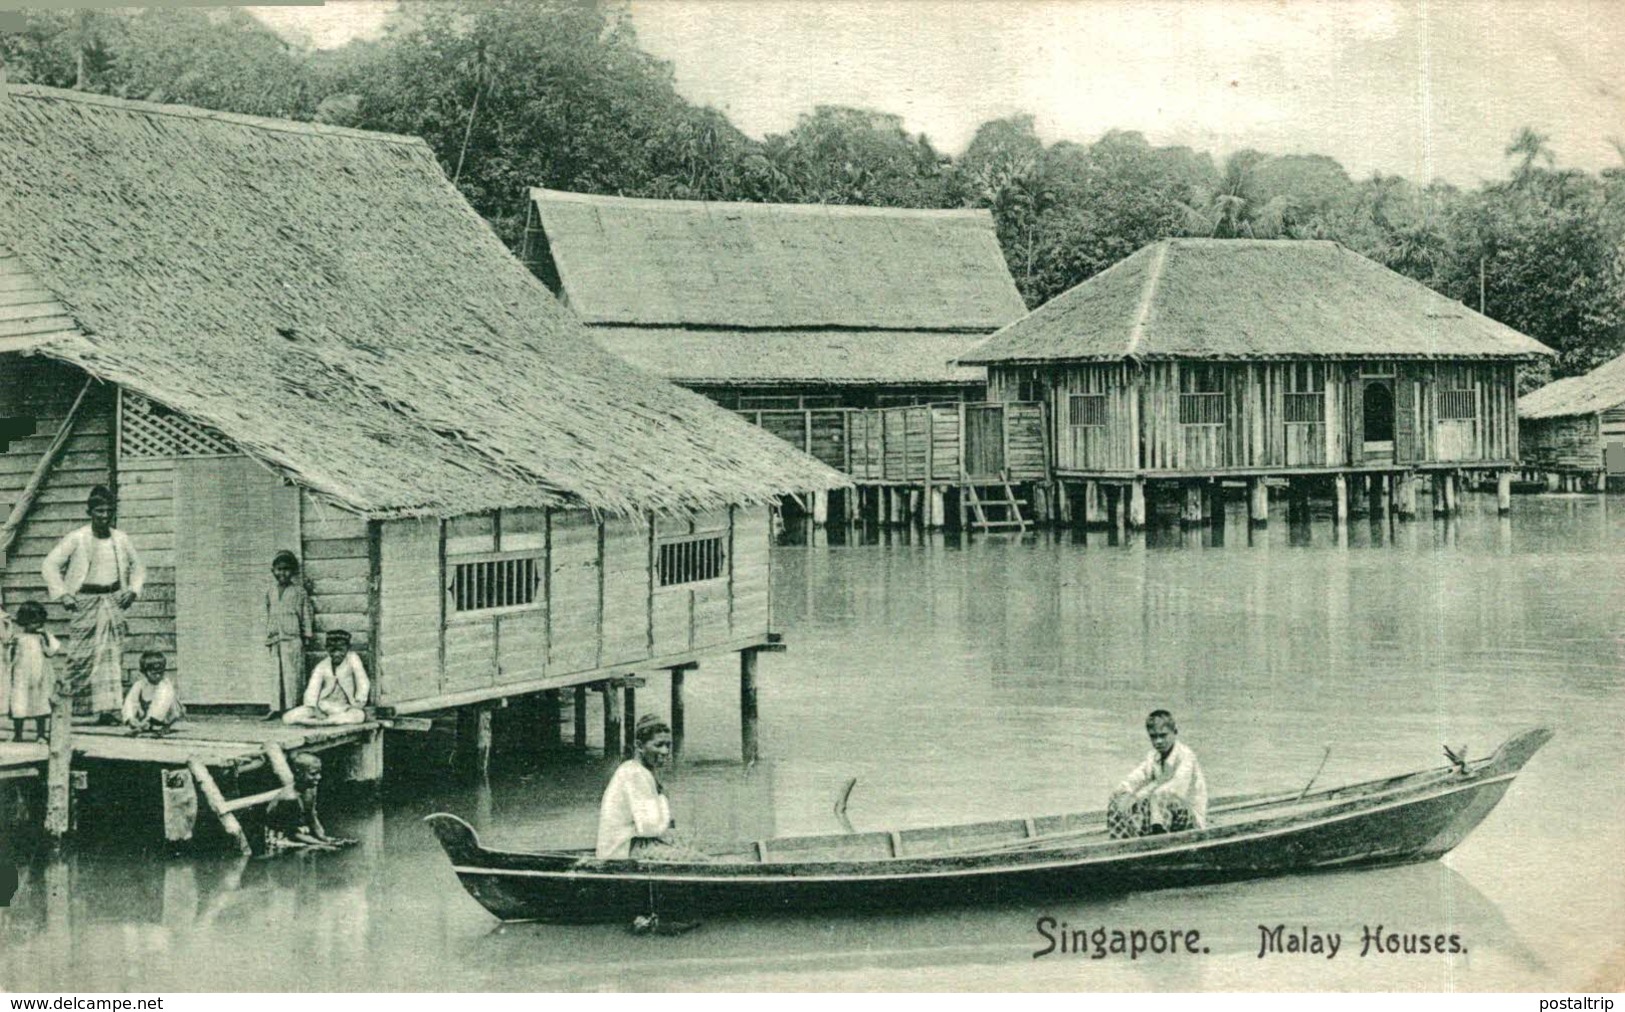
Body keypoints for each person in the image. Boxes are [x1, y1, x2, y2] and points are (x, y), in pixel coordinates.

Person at [42, 486, 145, 722]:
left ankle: (107, 711)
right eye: (99, 511)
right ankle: (72, 709)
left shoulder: (120, 539)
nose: (104, 515)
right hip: (86, 602)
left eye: (108, 511)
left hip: (113, 600)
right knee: (80, 655)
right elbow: (49, 565)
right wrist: (63, 595)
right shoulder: (77, 538)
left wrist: (133, 591)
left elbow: (138, 567)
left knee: (111, 657)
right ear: (90, 511)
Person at [596, 714, 707, 861]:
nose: (665, 751)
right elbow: (650, 827)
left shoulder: (638, 770)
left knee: (695, 844)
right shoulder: (634, 774)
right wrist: (662, 798)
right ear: (640, 746)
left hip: (632, 843)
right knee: (696, 858)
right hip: (622, 851)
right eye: (659, 745)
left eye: (668, 745)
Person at [1107, 709, 1208, 838]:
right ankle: (1123, 843)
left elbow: (1176, 788)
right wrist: (1125, 793)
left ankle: (1159, 841)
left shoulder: (1186, 756)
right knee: (1119, 796)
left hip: (1190, 820)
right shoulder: (1153, 757)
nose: (1158, 741)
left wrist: (1138, 796)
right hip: (1160, 815)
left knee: (1160, 796)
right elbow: (1135, 778)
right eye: (1154, 736)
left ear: (1175, 732)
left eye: (1163, 735)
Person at [261, 753, 354, 853]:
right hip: (280, 837)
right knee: (316, 850)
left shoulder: (311, 788)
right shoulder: (290, 798)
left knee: (336, 844)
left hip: (297, 831)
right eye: (313, 774)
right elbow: (292, 833)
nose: (318, 777)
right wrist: (322, 844)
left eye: (319, 773)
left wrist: (324, 838)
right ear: (298, 773)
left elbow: (311, 816)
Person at [264, 550, 315, 718]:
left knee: (292, 674)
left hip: (292, 638)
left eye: (286, 569)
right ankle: (276, 707)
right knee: (276, 674)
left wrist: (306, 636)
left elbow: (306, 614)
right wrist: (269, 634)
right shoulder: (271, 592)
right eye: (279, 569)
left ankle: (293, 707)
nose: (282, 573)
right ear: (273, 570)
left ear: (293, 571)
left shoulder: (299, 592)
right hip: (275, 638)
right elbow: (268, 613)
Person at [281, 630, 368, 726]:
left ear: (348, 648)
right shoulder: (322, 665)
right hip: (324, 706)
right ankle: (325, 721)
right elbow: (312, 688)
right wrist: (315, 708)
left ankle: (324, 722)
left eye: (340, 649)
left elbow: (363, 681)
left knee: (359, 716)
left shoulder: (353, 659)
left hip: (345, 707)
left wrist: (359, 701)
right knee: (288, 717)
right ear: (327, 649)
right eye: (332, 650)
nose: (336, 654)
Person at [8, 601, 61, 742]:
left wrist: (46, 637)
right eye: (33, 622)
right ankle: (18, 734)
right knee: (19, 703)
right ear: (24, 622)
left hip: (41, 677)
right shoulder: (18, 638)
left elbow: (52, 652)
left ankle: (41, 734)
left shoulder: (43, 636)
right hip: (21, 676)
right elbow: (10, 658)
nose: (37, 625)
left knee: (41, 703)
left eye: (40, 622)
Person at [121, 650, 184, 735]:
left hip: (166, 715)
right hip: (146, 716)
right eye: (154, 673)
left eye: (160, 673)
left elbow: (162, 702)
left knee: (165, 696)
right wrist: (130, 718)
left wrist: (150, 719)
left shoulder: (165, 684)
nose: (158, 676)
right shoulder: (140, 684)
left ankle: (161, 725)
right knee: (134, 700)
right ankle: (142, 725)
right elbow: (131, 701)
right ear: (144, 672)